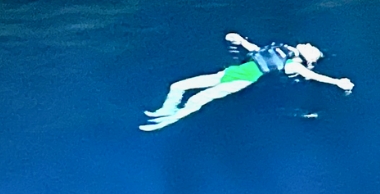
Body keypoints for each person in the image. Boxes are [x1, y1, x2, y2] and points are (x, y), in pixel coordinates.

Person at [140, 32, 353, 131]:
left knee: (198, 99)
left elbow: (312, 76)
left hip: (241, 80)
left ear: (308, 57)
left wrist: (337, 82)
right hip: (229, 73)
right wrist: (240, 40)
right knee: (177, 86)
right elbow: (257, 51)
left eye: (311, 47)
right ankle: (165, 111)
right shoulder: (281, 49)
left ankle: (169, 120)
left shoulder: (293, 64)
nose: (307, 42)